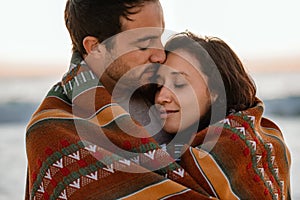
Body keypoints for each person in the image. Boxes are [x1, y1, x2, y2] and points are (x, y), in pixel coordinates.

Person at [25, 1, 215, 199]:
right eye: (143, 44)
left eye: (159, 37)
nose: (160, 55)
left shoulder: (164, 91)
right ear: (96, 47)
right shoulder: (52, 130)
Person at [154, 31, 292, 199]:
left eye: (179, 83)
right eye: (158, 85)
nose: (161, 97)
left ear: (215, 91)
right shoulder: (163, 149)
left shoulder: (246, 148)